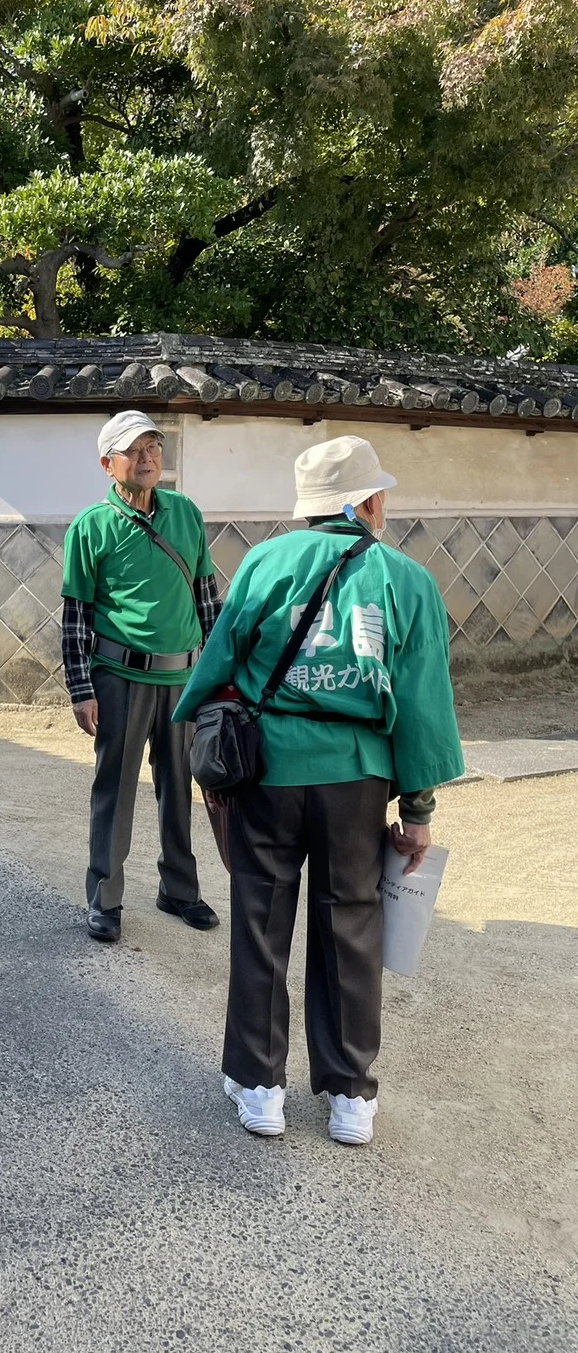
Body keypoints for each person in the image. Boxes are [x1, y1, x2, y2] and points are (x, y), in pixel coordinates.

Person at [174, 435, 465, 1147]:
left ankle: (260, 1087)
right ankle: (350, 1094)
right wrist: (418, 811)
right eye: (379, 493)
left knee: (260, 919)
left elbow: (219, 662)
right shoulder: (407, 579)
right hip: (357, 776)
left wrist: (206, 752)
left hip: (270, 769)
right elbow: (423, 702)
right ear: (365, 502)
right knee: (351, 926)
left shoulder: (266, 561)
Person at [61, 409, 221, 945]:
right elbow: (77, 614)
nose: (148, 457)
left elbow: (206, 599)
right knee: (116, 789)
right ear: (108, 464)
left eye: (154, 446)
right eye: (134, 450)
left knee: (180, 787)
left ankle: (179, 889)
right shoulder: (91, 526)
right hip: (120, 677)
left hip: (182, 677)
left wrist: (215, 675)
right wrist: (81, 689)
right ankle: (105, 898)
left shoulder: (186, 513)